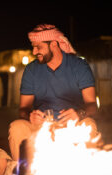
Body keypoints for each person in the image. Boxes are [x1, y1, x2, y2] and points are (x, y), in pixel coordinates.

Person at [8, 24, 100, 161]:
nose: (34, 52)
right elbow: (23, 109)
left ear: (54, 44)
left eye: (38, 47)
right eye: (33, 46)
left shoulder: (79, 66)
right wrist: (30, 116)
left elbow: (93, 105)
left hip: (71, 126)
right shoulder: (31, 70)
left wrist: (79, 114)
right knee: (16, 127)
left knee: (89, 125)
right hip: (41, 126)